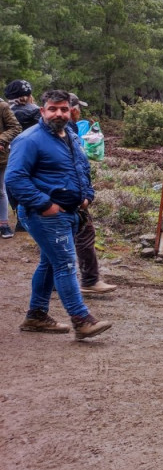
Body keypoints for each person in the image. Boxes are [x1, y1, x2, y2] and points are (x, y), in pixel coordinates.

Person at [7, 89, 112, 340]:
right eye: (52, 109)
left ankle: (36, 316)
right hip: (45, 215)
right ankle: (82, 320)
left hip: (70, 212)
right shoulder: (29, 139)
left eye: (63, 109)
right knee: (65, 264)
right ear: (42, 111)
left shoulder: (72, 136)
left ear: (70, 111)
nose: (58, 113)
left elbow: (82, 168)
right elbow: (14, 178)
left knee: (49, 263)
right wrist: (45, 204)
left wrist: (87, 195)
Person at [67, 94, 117, 295]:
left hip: (69, 193)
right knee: (84, 233)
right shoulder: (67, 131)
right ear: (72, 108)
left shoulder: (68, 130)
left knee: (62, 238)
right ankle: (89, 280)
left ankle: (56, 280)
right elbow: (74, 165)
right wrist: (84, 194)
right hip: (70, 195)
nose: (80, 111)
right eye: (78, 107)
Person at [0, 96, 22, 238]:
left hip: (0, 157)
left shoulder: (2, 106)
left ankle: (3, 224)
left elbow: (16, 127)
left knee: (0, 191)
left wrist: (1, 139)